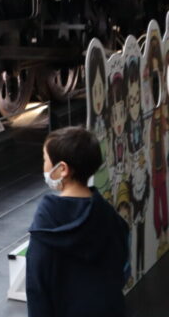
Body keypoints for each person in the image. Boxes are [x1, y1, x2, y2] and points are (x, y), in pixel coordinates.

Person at [27, 126, 129, 317]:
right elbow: (121, 264)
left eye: (45, 160)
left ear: (62, 169)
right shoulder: (107, 213)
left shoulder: (48, 215)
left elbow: (37, 282)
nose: (44, 167)